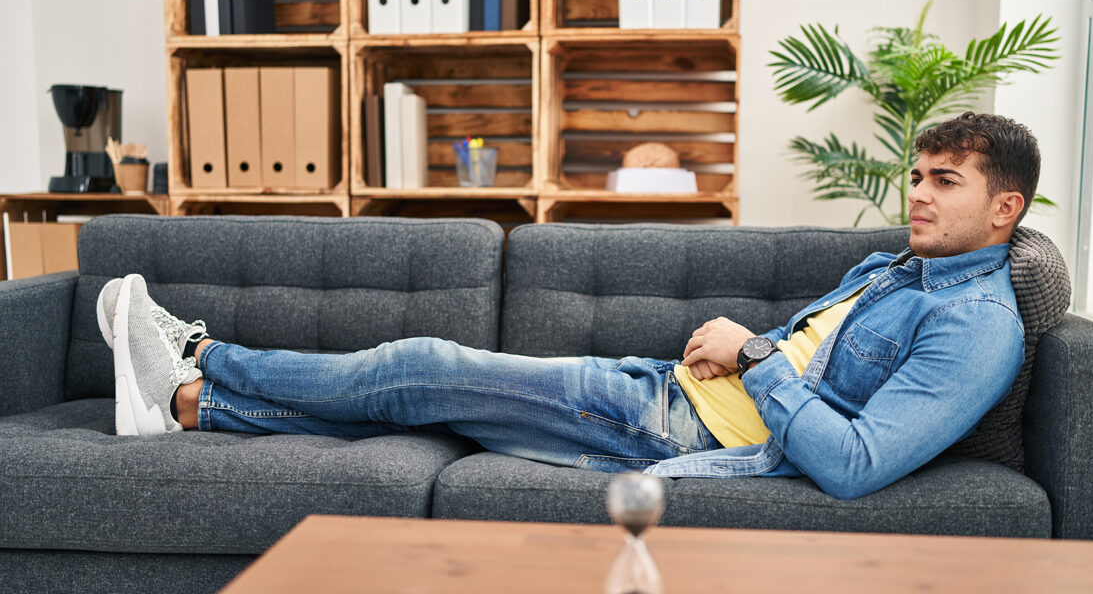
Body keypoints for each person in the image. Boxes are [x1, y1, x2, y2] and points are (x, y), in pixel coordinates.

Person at [102, 112, 1032, 500]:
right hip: (664, 390)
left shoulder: (977, 326)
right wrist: (739, 355)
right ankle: (193, 410)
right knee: (430, 404)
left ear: (1005, 208)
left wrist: (754, 356)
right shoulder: (898, 267)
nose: (916, 194)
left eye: (943, 181)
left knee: (421, 366)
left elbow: (859, 463)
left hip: (671, 433)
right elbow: (813, 357)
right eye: (916, 175)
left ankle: (199, 356)